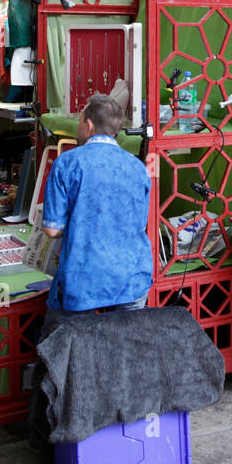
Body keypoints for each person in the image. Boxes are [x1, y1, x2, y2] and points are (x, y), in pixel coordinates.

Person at [42, 94, 152, 312]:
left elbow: (52, 229)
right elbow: (140, 222)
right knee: (124, 344)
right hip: (133, 277)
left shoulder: (67, 163)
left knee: (74, 343)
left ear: (89, 125)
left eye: (80, 122)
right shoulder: (137, 166)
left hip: (84, 279)